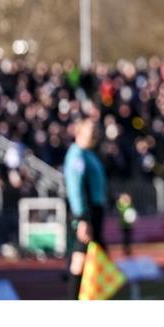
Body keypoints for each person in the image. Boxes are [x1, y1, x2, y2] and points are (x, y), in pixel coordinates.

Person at [63, 118, 107, 300]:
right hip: (86, 213)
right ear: (79, 132)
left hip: (95, 211)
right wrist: (82, 218)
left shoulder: (89, 154)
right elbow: (75, 188)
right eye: (91, 130)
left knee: (96, 260)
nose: (95, 133)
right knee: (80, 259)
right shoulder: (77, 156)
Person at [115, 192, 137, 257]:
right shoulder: (120, 206)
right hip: (123, 226)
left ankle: (128, 249)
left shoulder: (130, 206)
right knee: (125, 238)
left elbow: (132, 214)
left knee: (129, 238)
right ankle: (125, 250)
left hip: (129, 226)